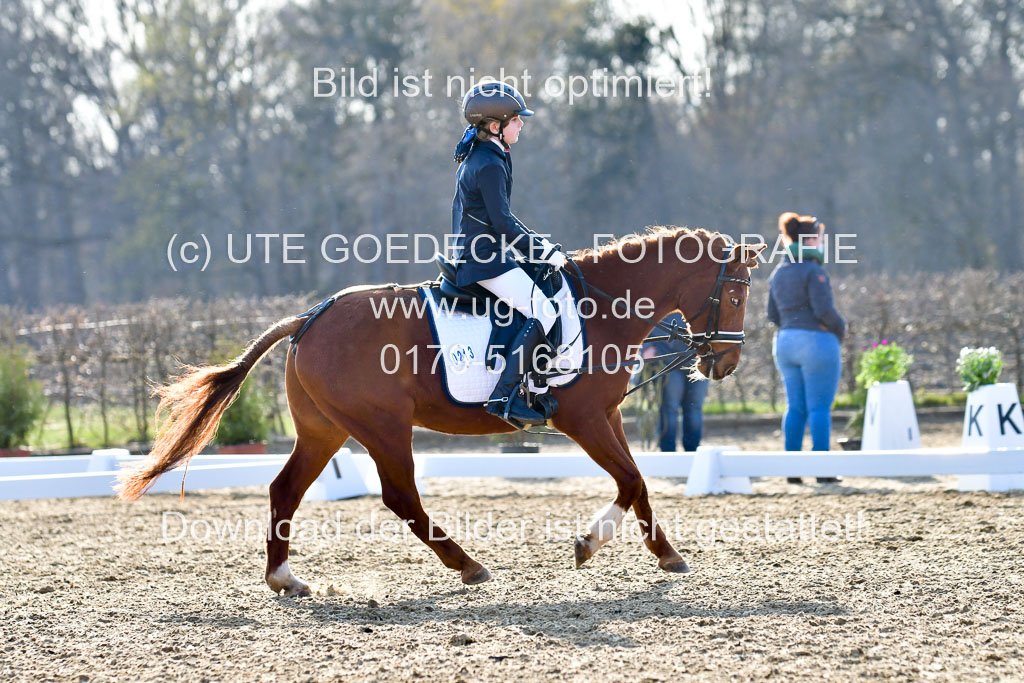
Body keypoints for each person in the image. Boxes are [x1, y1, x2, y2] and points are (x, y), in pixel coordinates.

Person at [451, 81, 567, 427]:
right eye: (516, 119)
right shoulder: (488, 163)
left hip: (484, 252)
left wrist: (540, 247)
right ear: (494, 125)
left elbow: (503, 219)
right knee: (545, 311)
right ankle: (504, 396)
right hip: (484, 258)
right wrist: (541, 250)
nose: (522, 124)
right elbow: (502, 222)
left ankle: (533, 384)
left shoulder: (487, 155)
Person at [766, 213, 846, 483]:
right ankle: (822, 470)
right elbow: (824, 311)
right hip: (815, 343)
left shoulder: (778, 272)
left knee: (795, 407)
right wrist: (840, 328)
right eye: (821, 238)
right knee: (819, 408)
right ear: (811, 240)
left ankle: (792, 469)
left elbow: (773, 316)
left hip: (785, 342)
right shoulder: (814, 271)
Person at [641, 312, 709, 451]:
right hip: (666, 356)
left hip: (698, 357)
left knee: (694, 407)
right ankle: (668, 453)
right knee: (669, 408)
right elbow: (646, 313)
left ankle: (693, 453)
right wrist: (647, 345)